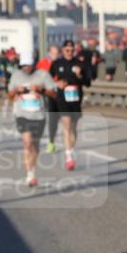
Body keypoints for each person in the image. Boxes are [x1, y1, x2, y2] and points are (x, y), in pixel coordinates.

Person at [7, 54, 57, 188]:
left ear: (33, 64)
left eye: (28, 65)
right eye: (24, 66)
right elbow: (9, 95)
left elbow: (54, 93)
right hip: (22, 115)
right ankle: (30, 174)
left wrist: (41, 89)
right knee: (27, 142)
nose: (26, 68)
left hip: (39, 115)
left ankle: (32, 170)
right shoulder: (16, 75)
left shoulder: (43, 75)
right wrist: (16, 90)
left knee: (35, 144)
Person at [49, 40, 90, 171]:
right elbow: (48, 79)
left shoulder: (80, 63)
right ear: (62, 50)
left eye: (72, 50)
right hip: (62, 98)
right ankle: (68, 157)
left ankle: (71, 150)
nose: (70, 52)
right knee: (66, 125)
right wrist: (56, 84)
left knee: (73, 127)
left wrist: (79, 74)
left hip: (76, 98)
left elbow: (88, 82)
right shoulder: (56, 64)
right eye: (67, 50)